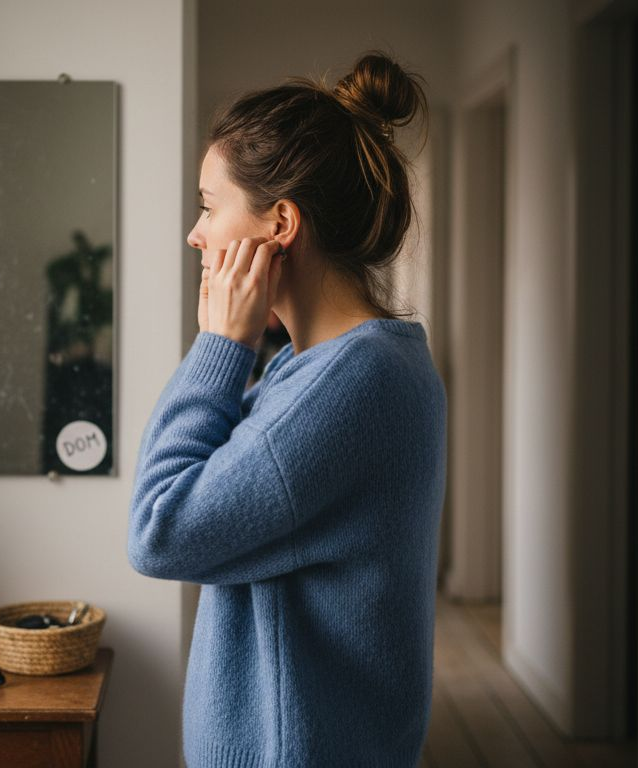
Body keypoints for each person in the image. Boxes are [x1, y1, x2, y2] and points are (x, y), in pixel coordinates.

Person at [127, 50, 447, 768]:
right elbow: (214, 469)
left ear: (280, 225)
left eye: (209, 205)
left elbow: (160, 529)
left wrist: (219, 344)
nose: (195, 234)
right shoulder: (326, 366)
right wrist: (238, 346)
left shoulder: (353, 383)